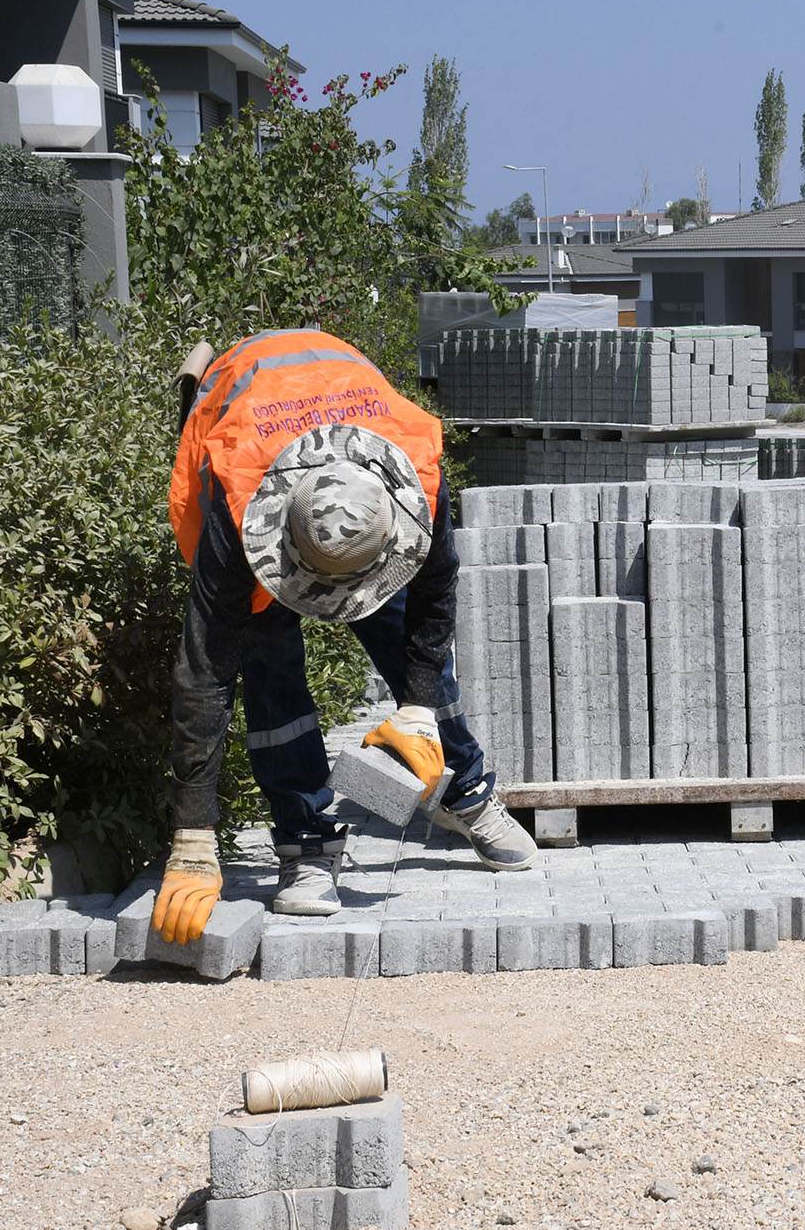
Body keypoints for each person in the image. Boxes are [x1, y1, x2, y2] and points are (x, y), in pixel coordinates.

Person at [150, 328, 536, 946]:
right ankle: (306, 843)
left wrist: (415, 704)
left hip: (337, 413)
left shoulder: (414, 472)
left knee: (396, 623)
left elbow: (435, 599)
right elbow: (204, 670)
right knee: (267, 661)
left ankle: (463, 788)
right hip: (243, 446)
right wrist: (193, 834)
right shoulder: (233, 499)